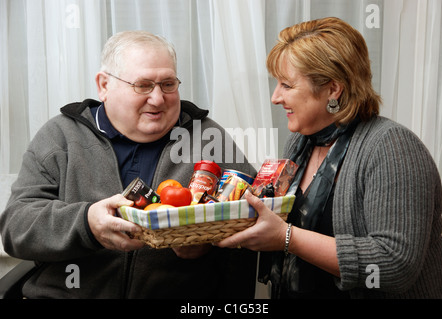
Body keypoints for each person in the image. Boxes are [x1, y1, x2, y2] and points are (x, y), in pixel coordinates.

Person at [0, 31, 257, 298]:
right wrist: (86, 224)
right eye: (143, 85)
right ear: (104, 86)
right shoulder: (60, 137)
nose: (158, 99)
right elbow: (16, 228)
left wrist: (207, 244)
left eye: (168, 84)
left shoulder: (208, 139)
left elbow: (256, 222)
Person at [217, 17, 442, 299]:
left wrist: (286, 237)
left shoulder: (392, 147)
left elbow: (392, 265)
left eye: (287, 85)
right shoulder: (302, 142)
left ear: (332, 89)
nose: (275, 97)